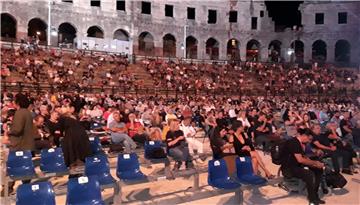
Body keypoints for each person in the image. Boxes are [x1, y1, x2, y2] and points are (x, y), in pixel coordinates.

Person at [281, 128, 325, 205]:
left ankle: (315, 195)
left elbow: (304, 157)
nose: (309, 141)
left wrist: (315, 164)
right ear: (304, 136)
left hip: (297, 165)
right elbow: (300, 160)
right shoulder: (294, 143)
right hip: (289, 168)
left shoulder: (300, 143)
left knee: (319, 170)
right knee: (309, 174)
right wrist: (315, 162)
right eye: (309, 139)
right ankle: (312, 199)